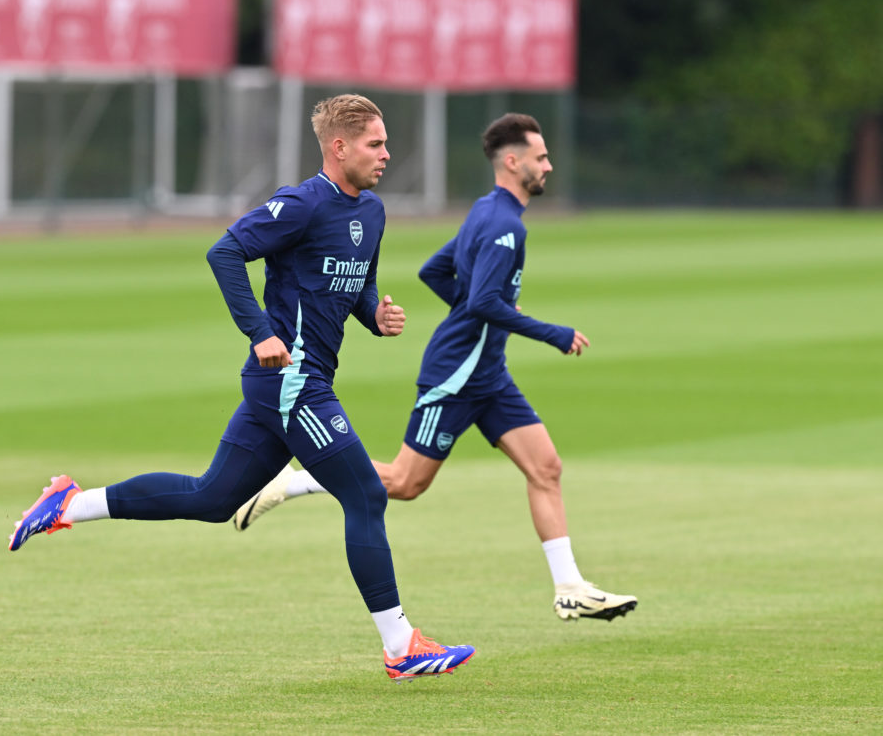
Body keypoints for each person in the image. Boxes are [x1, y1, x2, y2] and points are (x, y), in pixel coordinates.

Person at [7, 94, 475, 682]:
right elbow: (224, 251)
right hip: (291, 384)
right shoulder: (301, 204)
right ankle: (401, 645)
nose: (387, 153)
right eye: (375, 144)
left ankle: (70, 503)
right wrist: (260, 332)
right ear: (339, 147)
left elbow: (354, 280)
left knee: (211, 498)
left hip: (289, 386)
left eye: (384, 143)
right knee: (366, 496)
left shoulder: (372, 212)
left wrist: (372, 315)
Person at [233, 113, 637, 623]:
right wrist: (550, 334)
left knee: (546, 467)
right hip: (458, 374)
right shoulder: (503, 225)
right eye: (540, 158)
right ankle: (295, 480)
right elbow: (486, 301)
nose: (548, 166)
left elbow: (435, 272)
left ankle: (570, 587)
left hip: (489, 372)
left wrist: (471, 315)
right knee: (404, 483)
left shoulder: (488, 212)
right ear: (512, 163)